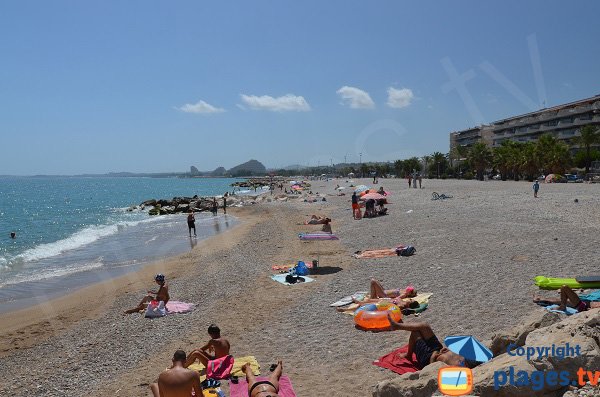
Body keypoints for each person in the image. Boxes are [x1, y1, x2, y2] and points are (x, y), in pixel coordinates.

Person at [387, 317, 479, 369]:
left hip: (427, 358)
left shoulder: (453, 366)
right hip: (439, 349)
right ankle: (397, 326)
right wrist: (446, 349)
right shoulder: (463, 357)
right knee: (424, 326)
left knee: (415, 333)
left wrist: (434, 355)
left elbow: (432, 368)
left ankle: (409, 355)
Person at [534, 285, 600, 312]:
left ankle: (562, 307)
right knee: (561, 298)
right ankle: (541, 299)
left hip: (583, 306)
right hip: (586, 302)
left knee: (564, 288)